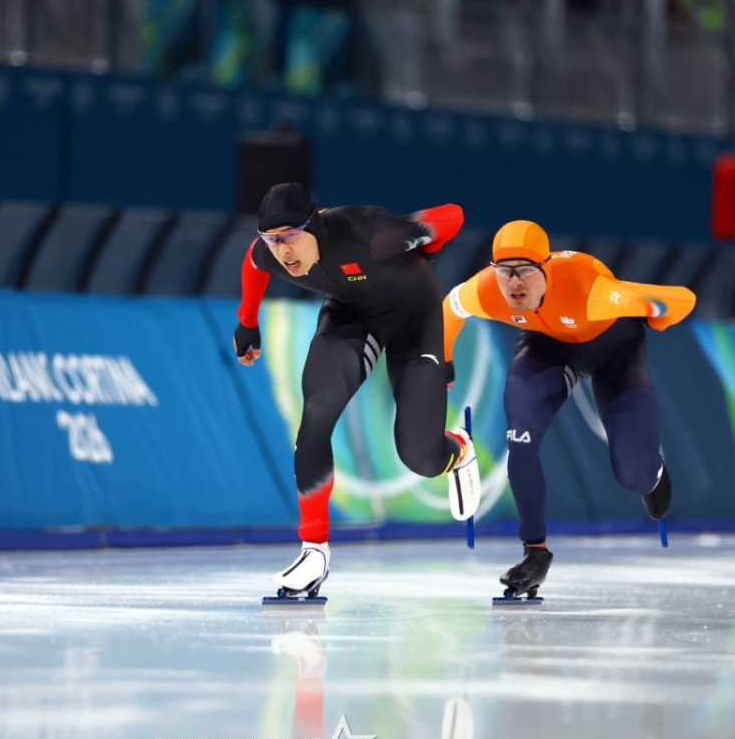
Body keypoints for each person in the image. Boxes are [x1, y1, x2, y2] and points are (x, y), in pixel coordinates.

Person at [235, 183, 480, 599]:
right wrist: (247, 323)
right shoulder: (270, 253)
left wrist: (427, 248)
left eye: (292, 236)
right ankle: (314, 549)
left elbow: (453, 214)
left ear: (313, 225)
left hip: (414, 319)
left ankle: (456, 448)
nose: (284, 251)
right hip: (351, 315)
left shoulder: (373, 236)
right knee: (316, 413)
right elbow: (252, 263)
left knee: (420, 457)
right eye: (273, 240)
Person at [442, 220, 696, 599]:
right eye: (505, 272)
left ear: (546, 268)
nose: (514, 283)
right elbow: (450, 306)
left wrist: (658, 315)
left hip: (617, 354)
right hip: (549, 349)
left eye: (525, 271)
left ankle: (651, 472)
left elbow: (681, 299)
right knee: (521, 440)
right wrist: (443, 360)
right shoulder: (486, 290)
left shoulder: (590, 288)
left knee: (634, 476)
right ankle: (534, 552)